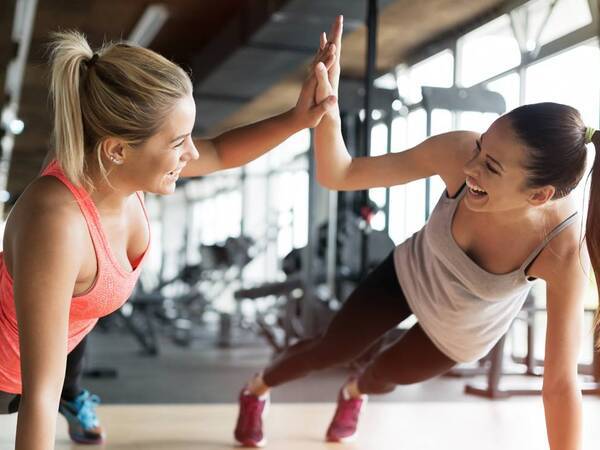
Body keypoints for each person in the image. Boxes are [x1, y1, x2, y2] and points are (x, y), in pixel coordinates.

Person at [235, 16, 595, 450]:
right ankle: (255, 390)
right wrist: (326, 112)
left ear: (539, 196)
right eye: (482, 147)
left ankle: (353, 393)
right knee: (332, 348)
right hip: (409, 274)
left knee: (381, 376)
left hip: (462, 330)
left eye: (491, 167)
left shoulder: (561, 252)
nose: (470, 167)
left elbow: (559, 385)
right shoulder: (459, 150)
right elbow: (341, 173)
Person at [0, 28, 337, 449]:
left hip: (32, 368)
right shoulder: (57, 224)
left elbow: (217, 153)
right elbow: (42, 395)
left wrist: (299, 118)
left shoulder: (121, 173)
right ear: (117, 149)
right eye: (178, 143)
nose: (191, 154)